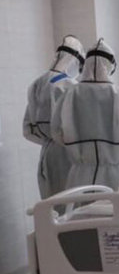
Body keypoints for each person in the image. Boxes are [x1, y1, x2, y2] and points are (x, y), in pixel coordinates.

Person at [51, 38, 119, 190]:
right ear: (110, 65)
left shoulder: (69, 94)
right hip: (115, 172)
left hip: (80, 173)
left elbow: (56, 131)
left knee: (78, 205)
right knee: (114, 204)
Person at [23, 35, 85, 199]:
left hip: (47, 153)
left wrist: (49, 140)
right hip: (69, 155)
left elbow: (28, 130)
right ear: (74, 61)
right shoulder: (70, 86)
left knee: (51, 200)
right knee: (72, 202)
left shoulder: (37, 84)